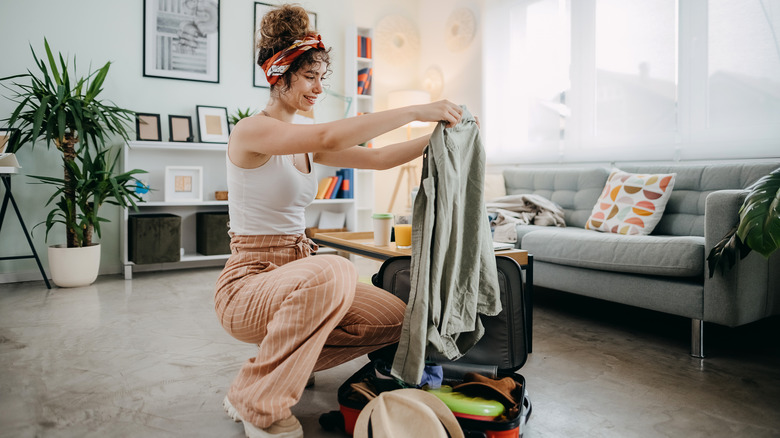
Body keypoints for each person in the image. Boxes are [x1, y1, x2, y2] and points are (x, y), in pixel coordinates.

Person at [215, 4, 463, 438]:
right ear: (280, 74)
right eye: (309, 77)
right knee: (337, 267)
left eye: (321, 79)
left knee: (400, 322)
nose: (317, 89)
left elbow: (380, 158)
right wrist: (417, 109)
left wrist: (447, 134)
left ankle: (265, 370)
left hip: (299, 271)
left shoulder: (304, 143)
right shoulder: (251, 132)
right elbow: (330, 134)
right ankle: (258, 400)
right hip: (249, 283)